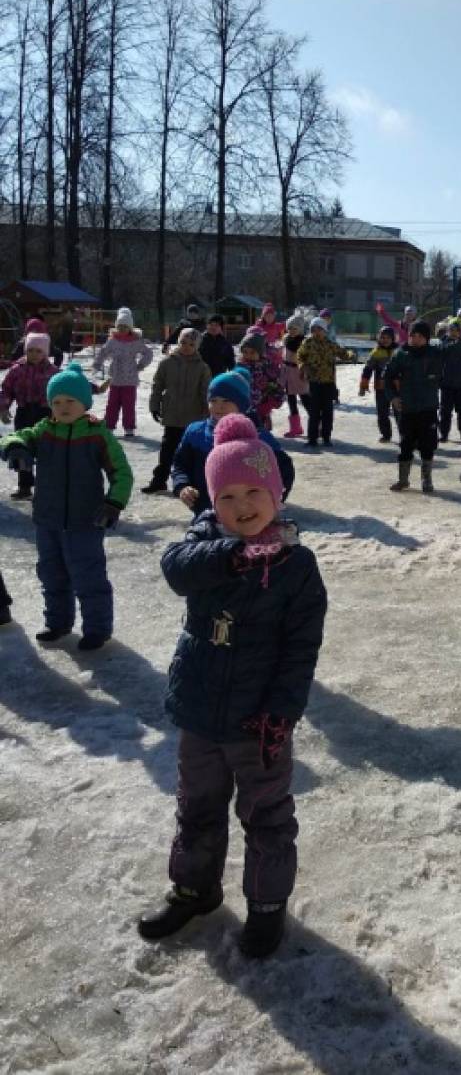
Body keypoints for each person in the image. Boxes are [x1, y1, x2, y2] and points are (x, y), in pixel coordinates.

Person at [138, 414, 327, 958]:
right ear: (212, 503)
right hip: (200, 709)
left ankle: (266, 908)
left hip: (257, 719)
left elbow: (300, 651)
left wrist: (281, 713)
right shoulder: (207, 541)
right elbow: (176, 568)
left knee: (266, 816)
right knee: (196, 806)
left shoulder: (297, 564)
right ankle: (193, 889)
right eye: (226, 496)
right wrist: (232, 555)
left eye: (253, 493)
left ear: (276, 494)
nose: (242, 507)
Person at [0, 362, 133, 651]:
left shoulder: (98, 435)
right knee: (51, 573)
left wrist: (113, 503)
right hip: (47, 519)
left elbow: (122, 472)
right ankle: (57, 622)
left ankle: (97, 629)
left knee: (89, 576)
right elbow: (15, 435)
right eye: (56, 401)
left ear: (84, 402)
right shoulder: (44, 430)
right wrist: (15, 448)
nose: (62, 407)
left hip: (86, 520)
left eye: (70, 401)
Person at [385, 319, 461, 494]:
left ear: (427, 338)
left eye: (420, 336)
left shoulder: (435, 352)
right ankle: (403, 479)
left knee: (428, 445)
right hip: (407, 409)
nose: (416, 339)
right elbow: (387, 377)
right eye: (413, 335)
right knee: (406, 444)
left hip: (428, 408)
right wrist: (393, 397)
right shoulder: (401, 355)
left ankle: (426, 479)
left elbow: (457, 347)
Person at [171, 370, 295, 517]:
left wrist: (272, 501)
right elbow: (180, 465)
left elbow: (284, 469)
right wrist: (182, 486)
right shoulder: (195, 432)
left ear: (242, 404)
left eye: (226, 401)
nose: (219, 406)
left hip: (248, 515)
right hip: (205, 511)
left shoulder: (258, 438)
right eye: (213, 400)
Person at [142, 328, 211, 494]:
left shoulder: (202, 368)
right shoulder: (167, 363)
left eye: (191, 344)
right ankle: (159, 480)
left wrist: (207, 411)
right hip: (172, 415)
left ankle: (191, 483)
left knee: (191, 453)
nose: (186, 346)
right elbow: (158, 385)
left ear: (197, 346)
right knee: (167, 451)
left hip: (193, 418)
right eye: (183, 343)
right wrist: (154, 404)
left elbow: (205, 391)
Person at [0, 332, 58, 499]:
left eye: (38, 351)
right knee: (22, 450)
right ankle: (24, 486)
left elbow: (65, 387)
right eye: (30, 350)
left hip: (45, 414)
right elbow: (6, 390)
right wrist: (3, 408)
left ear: (45, 352)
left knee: (45, 451)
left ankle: (45, 486)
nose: (34, 354)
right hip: (24, 413)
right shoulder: (16, 370)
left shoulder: (53, 371)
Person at [92, 307, 154, 437]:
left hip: (130, 379)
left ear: (130, 328)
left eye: (125, 327)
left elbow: (148, 352)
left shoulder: (136, 341)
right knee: (112, 404)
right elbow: (103, 352)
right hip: (115, 379)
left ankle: (129, 427)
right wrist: (98, 363)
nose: (122, 329)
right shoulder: (112, 341)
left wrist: (141, 364)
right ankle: (109, 426)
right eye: (119, 326)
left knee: (128, 405)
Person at [295, 317, 356, 447]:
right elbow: (300, 356)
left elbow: (343, 353)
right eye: (313, 330)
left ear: (325, 331)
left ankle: (326, 437)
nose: (316, 332)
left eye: (319, 329)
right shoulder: (308, 343)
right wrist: (302, 365)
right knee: (314, 412)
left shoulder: (330, 344)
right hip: (314, 382)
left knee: (328, 412)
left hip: (328, 383)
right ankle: (312, 438)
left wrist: (351, 354)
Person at [359, 325, 398, 443]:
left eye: (387, 338)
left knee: (400, 412)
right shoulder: (376, 352)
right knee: (382, 413)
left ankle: (405, 434)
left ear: (392, 338)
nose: (385, 340)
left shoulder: (398, 351)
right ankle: (386, 434)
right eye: (382, 337)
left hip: (397, 387)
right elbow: (367, 370)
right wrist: (363, 386)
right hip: (381, 388)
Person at [238, 331, 284, 429]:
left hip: (262, 405)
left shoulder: (267, 367)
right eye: (245, 352)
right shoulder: (240, 367)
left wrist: (276, 398)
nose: (248, 355)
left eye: (252, 352)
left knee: (259, 429)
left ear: (260, 352)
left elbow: (275, 384)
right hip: (244, 405)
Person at [438, 317, 461, 442]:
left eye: (456, 330)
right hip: (447, 385)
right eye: (451, 329)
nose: (453, 332)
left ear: (460, 332)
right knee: (445, 412)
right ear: (447, 331)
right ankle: (443, 434)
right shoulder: (443, 345)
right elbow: (438, 364)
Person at [280, 314, 309, 438]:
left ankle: (317, 424)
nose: (291, 331)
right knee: (291, 401)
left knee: (306, 399)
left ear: (300, 329)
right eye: (290, 328)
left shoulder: (304, 342)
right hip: (287, 373)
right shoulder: (286, 340)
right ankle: (295, 427)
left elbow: (307, 360)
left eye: (295, 328)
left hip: (299, 373)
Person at [198, 314, 236, 378]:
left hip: (219, 377)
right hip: (201, 376)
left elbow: (231, 362)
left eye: (216, 325)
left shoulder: (225, 343)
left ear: (221, 327)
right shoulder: (199, 340)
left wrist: (233, 376)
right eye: (211, 324)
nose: (213, 327)